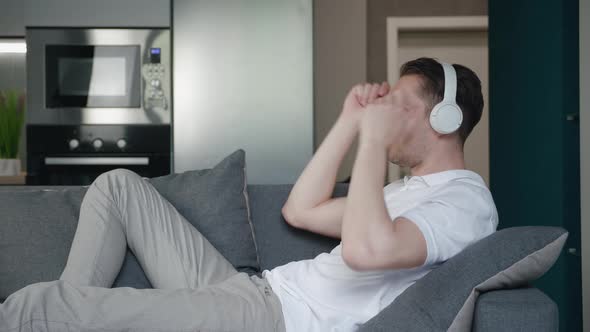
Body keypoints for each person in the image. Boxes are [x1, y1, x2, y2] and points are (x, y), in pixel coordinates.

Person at [0, 57, 497, 332]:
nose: (384, 114)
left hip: (271, 319)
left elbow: (369, 252)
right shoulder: (408, 195)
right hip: (253, 291)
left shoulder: (465, 203)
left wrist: (370, 137)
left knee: (30, 305)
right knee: (118, 187)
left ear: (444, 120)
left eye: (398, 106)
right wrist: (349, 121)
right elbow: (300, 210)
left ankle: (57, 317)